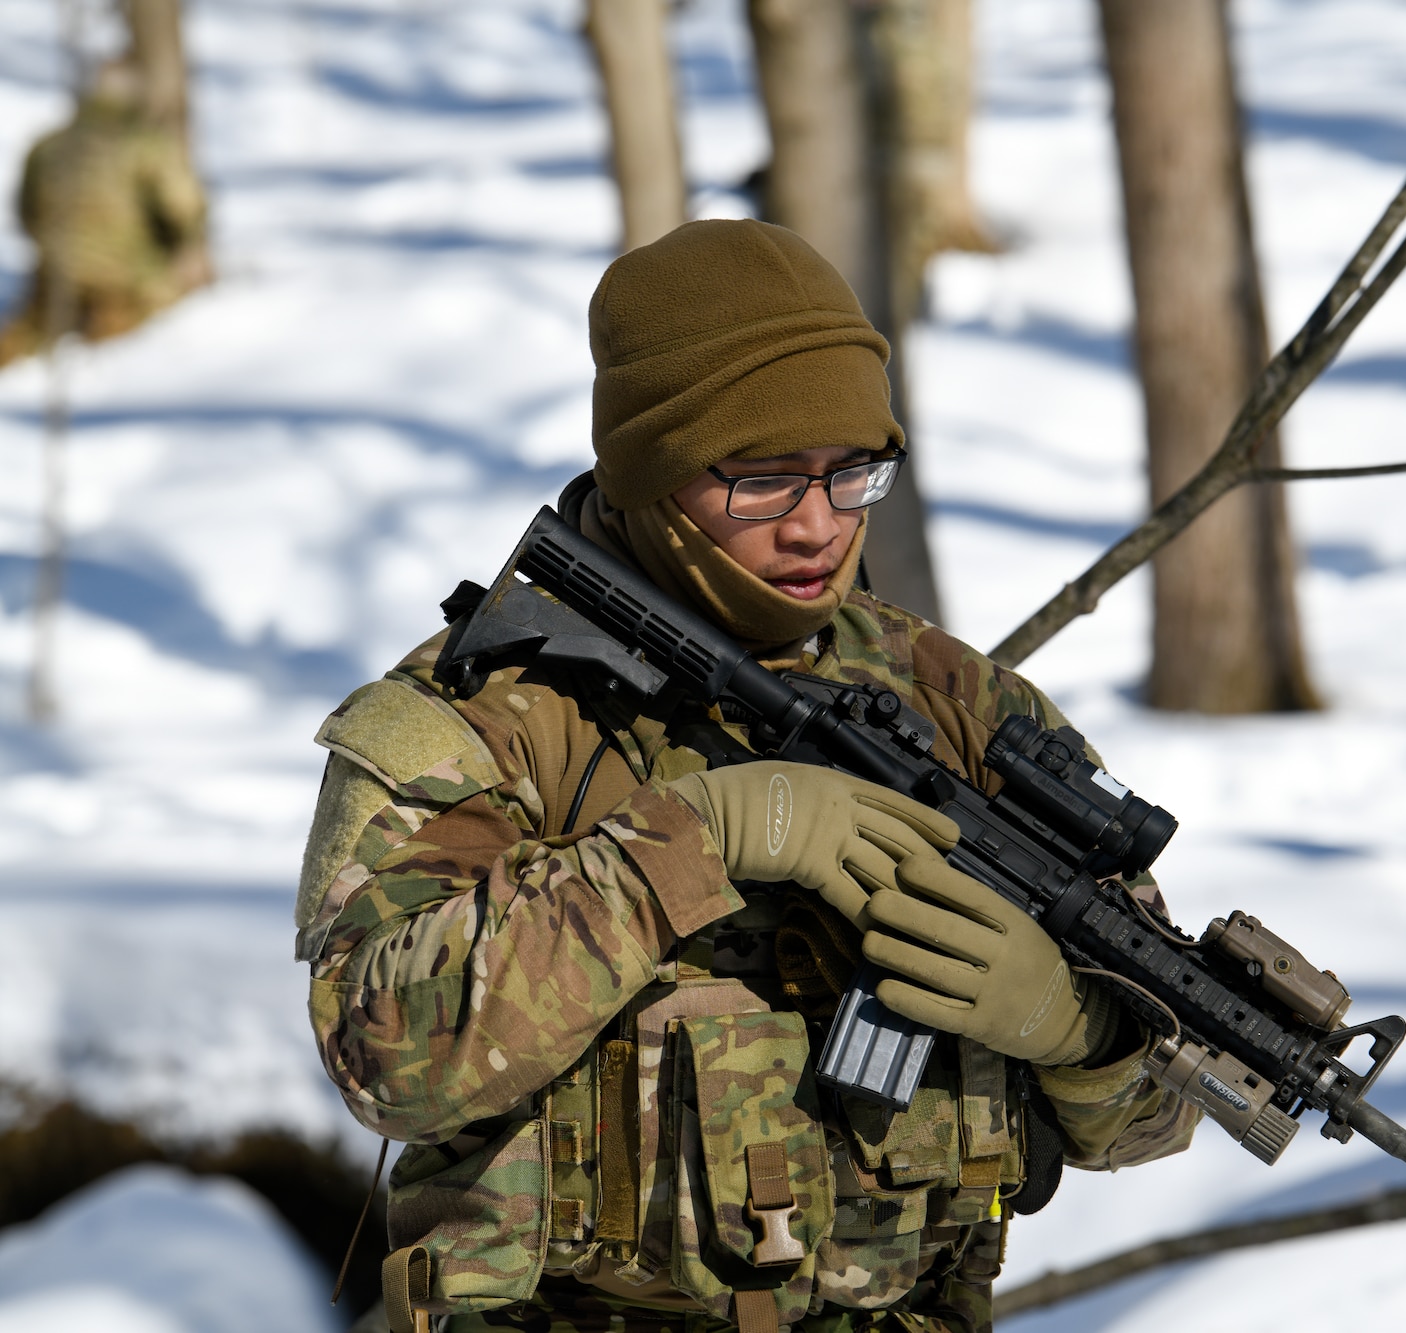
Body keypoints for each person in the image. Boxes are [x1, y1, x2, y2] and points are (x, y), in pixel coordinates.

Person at [298, 219, 1198, 1333]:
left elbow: (1168, 1113)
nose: (817, 525)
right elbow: (386, 1058)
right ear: (652, 464)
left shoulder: (964, 711)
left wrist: (1079, 1031)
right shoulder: (486, 717)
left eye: (852, 473)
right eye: (765, 480)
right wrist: (694, 838)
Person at [0, 58, 209, 367]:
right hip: (125, 276)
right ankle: (106, 340)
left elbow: (25, 212)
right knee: (151, 319)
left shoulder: (50, 143)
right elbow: (185, 207)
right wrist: (183, 245)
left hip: (56, 271)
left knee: (30, 331)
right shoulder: (146, 143)